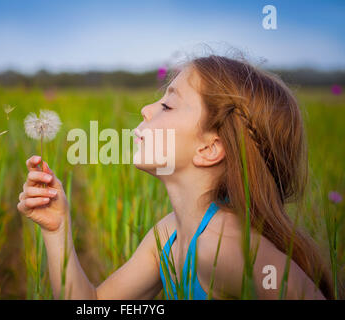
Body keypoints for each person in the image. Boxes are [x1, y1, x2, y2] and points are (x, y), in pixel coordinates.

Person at [17, 55, 333, 300]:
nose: (145, 109)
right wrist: (57, 229)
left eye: (168, 105)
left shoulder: (224, 249)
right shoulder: (170, 235)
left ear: (210, 148)